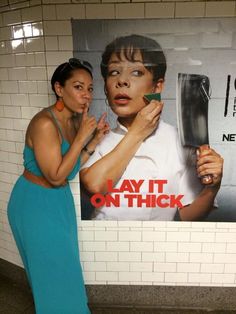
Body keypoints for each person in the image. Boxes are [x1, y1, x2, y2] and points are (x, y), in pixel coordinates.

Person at [80, 34, 224, 221]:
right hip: (105, 244)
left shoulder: (178, 140)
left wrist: (212, 188)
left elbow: (186, 216)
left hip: (156, 244)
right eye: (114, 72)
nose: (122, 81)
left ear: (157, 86)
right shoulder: (96, 138)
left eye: (136, 72)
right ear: (106, 88)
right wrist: (138, 132)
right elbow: (94, 186)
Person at [7, 58, 109, 313]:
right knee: (51, 272)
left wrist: (92, 143)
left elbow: (68, 172)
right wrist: (82, 139)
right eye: (78, 87)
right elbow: (53, 176)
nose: (86, 95)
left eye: (89, 88)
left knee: (66, 269)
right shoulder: (44, 123)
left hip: (57, 201)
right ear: (59, 88)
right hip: (34, 204)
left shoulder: (73, 122)